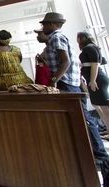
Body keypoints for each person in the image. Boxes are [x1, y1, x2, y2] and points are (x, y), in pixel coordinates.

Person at [40, 12, 109, 163]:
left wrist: (53, 80)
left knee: (83, 118)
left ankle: (102, 158)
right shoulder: (56, 37)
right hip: (69, 81)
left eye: (45, 24)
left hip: (66, 82)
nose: (43, 27)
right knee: (80, 117)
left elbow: (65, 62)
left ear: (53, 24)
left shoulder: (56, 37)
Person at [77, 32, 109, 128]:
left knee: (104, 107)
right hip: (94, 79)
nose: (77, 40)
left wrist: (93, 80)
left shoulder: (89, 48)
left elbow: (95, 64)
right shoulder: (92, 48)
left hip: (97, 79)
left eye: (78, 38)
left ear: (82, 38)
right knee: (96, 105)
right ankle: (108, 129)